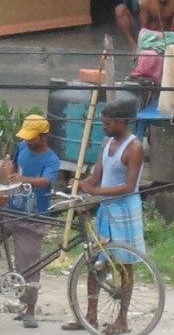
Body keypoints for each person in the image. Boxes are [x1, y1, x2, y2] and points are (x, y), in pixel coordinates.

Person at [0, 114, 60, 330]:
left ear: (44, 136)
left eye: (32, 137)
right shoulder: (22, 148)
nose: (27, 140)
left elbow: (45, 181)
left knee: (28, 263)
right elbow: (14, 168)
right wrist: (7, 177)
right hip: (9, 210)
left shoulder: (51, 160)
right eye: (26, 137)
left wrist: (23, 180)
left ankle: (29, 309)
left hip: (33, 217)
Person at [62, 100, 145, 334]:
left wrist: (96, 192)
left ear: (121, 122)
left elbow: (129, 186)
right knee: (95, 262)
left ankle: (122, 320)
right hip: (106, 211)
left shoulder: (134, 147)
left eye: (108, 124)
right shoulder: (107, 143)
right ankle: (90, 316)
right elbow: (96, 176)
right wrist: (79, 186)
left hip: (125, 210)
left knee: (124, 266)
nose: (104, 127)